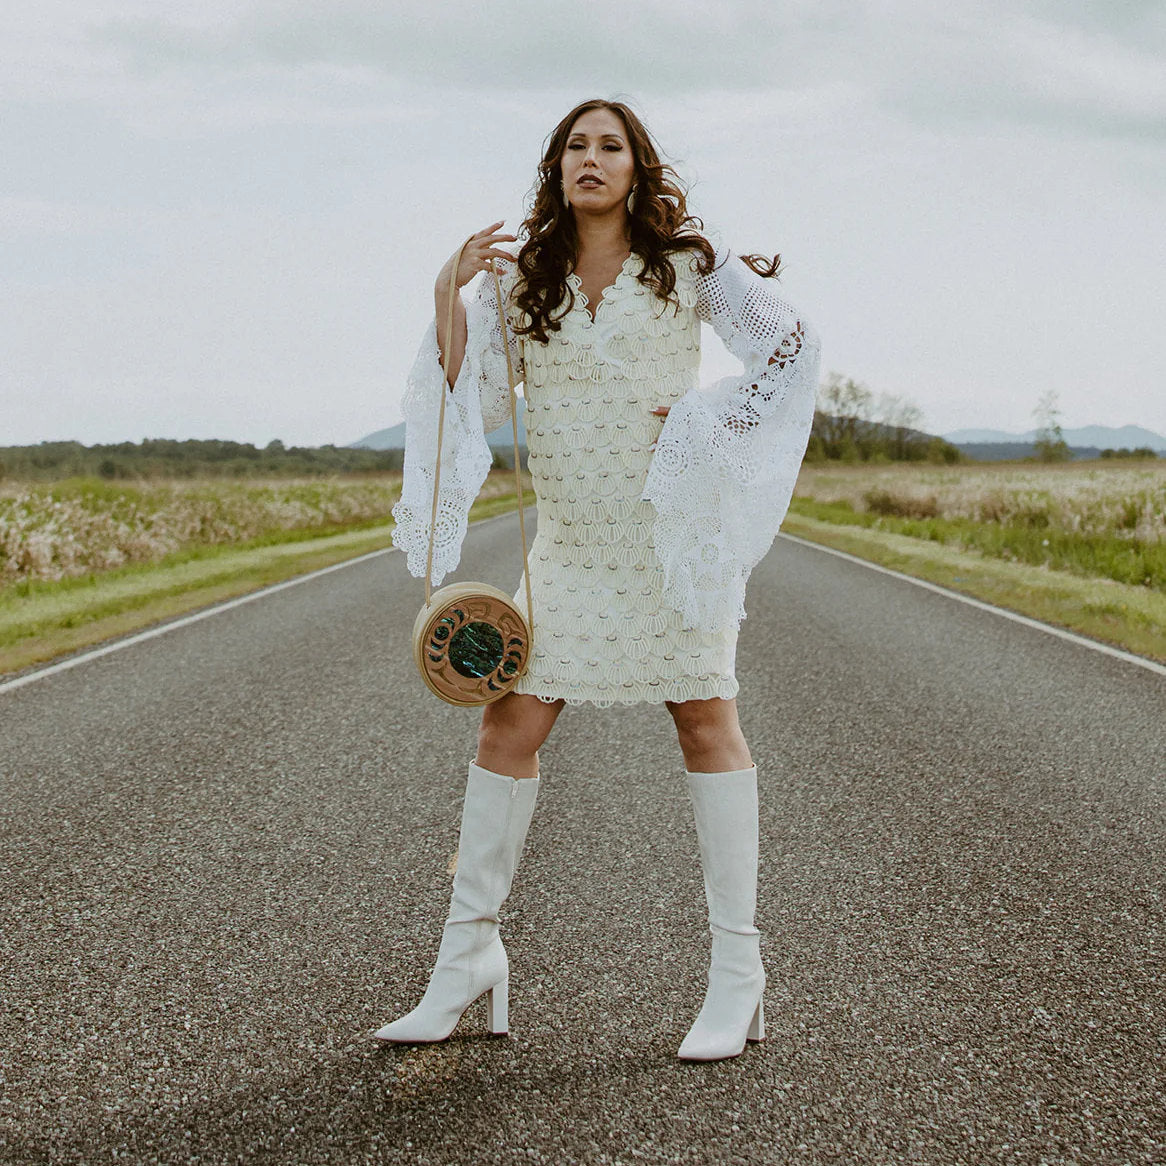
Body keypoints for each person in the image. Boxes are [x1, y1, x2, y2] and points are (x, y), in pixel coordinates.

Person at [376, 98, 820, 1061]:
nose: (591, 159)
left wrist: (707, 423)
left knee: (706, 722)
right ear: (557, 168)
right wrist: (444, 294)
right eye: (575, 146)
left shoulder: (691, 269)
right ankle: (467, 963)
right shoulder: (520, 283)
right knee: (508, 722)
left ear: (635, 166)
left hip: (669, 539)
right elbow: (469, 401)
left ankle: (737, 978)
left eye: (609, 146)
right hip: (570, 548)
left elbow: (791, 351)